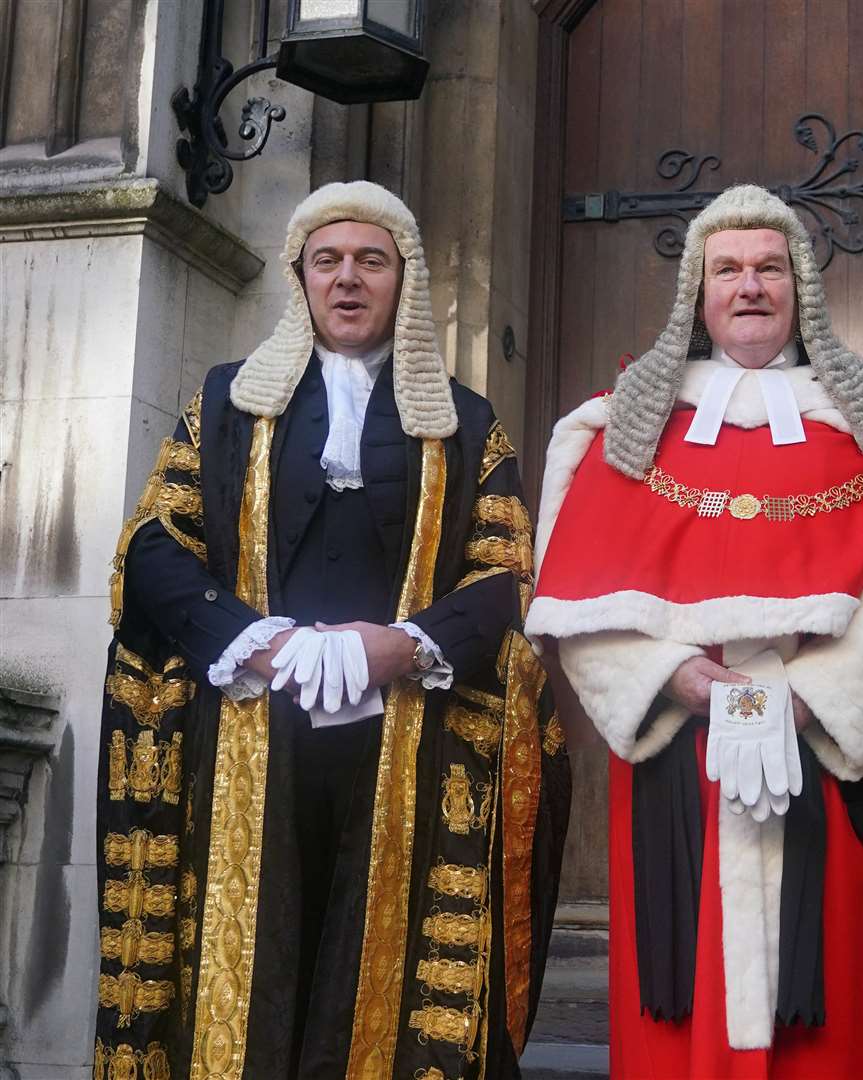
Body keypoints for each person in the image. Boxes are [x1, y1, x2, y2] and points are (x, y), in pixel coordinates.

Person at [94, 180, 570, 1079]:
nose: (348, 279)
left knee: (373, 964)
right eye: (328, 262)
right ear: (301, 278)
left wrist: (399, 647)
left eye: (370, 262)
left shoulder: (467, 424)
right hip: (250, 730)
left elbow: (505, 571)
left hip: (408, 740)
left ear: (405, 280)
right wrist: (254, 640)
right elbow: (155, 543)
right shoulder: (229, 401)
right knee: (261, 952)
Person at [527, 184, 863, 1077]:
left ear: (800, 287)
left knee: (835, 1019)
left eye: (769, 267)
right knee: (678, 1005)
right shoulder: (624, 427)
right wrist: (685, 683)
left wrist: (806, 703)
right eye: (726, 269)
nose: (750, 286)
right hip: (679, 763)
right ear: (697, 294)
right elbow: (577, 609)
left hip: (832, 760)